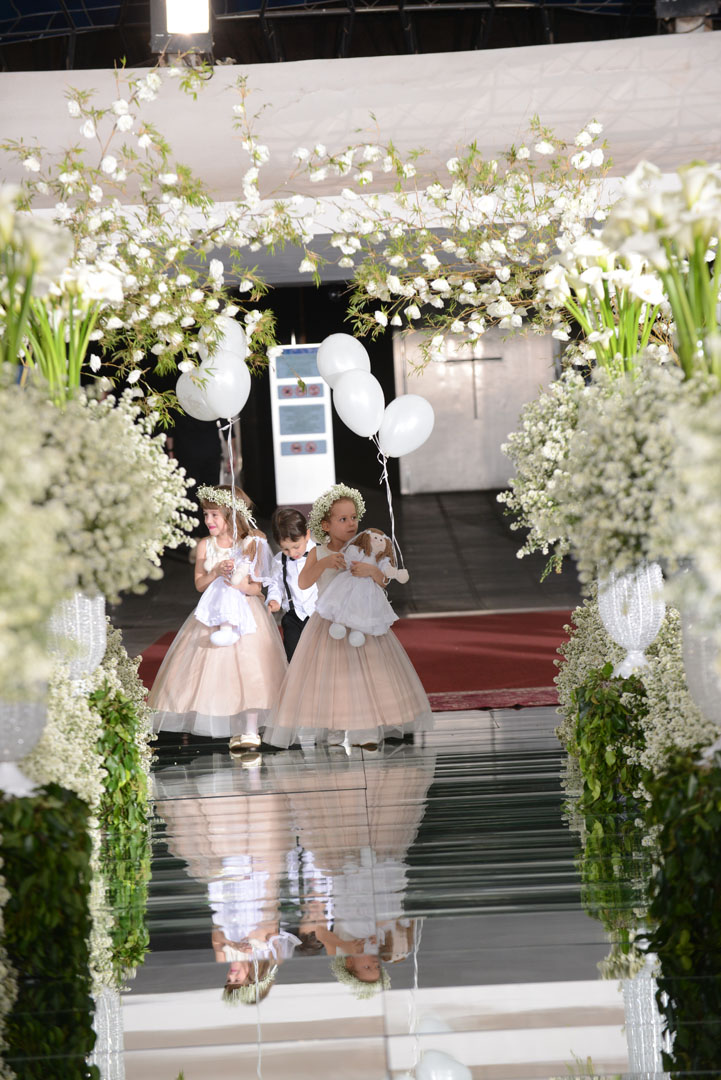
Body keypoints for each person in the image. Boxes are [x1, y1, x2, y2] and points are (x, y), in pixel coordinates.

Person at [261, 483, 432, 751]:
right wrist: (323, 563)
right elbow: (304, 582)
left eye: (354, 517)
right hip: (329, 626)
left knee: (367, 675)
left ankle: (367, 728)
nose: (351, 524)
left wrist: (372, 572)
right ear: (326, 525)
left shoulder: (366, 547)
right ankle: (333, 728)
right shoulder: (318, 551)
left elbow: (384, 580)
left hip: (363, 622)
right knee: (332, 679)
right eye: (343, 519)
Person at [148, 484, 287, 752]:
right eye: (206, 515)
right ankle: (227, 725)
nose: (208, 521)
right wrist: (215, 572)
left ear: (232, 515)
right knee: (214, 670)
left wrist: (239, 583)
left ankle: (249, 729)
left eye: (214, 515)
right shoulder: (205, 546)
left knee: (250, 670)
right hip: (213, 613)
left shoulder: (251, 542)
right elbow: (200, 585)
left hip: (246, 613)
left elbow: (257, 587)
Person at [316, 527, 409, 647]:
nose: (378, 542)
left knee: (363, 609)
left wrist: (396, 573)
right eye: (375, 538)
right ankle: (339, 624)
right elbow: (348, 561)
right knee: (345, 602)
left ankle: (358, 631)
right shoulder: (359, 551)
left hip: (368, 590)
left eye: (382, 541)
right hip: (351, 583)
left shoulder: (381, 560)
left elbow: (385, 574)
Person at [266, 507, 317, 662]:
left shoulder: (319, 554)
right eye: (285, 549)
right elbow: (276, 584)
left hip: (318, 614)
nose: (293, 553)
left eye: (296, 546)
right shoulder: (279, 560)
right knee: (293, 656)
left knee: (318, 655)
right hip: (293, 616)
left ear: (307, 535)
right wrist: (273, 600)